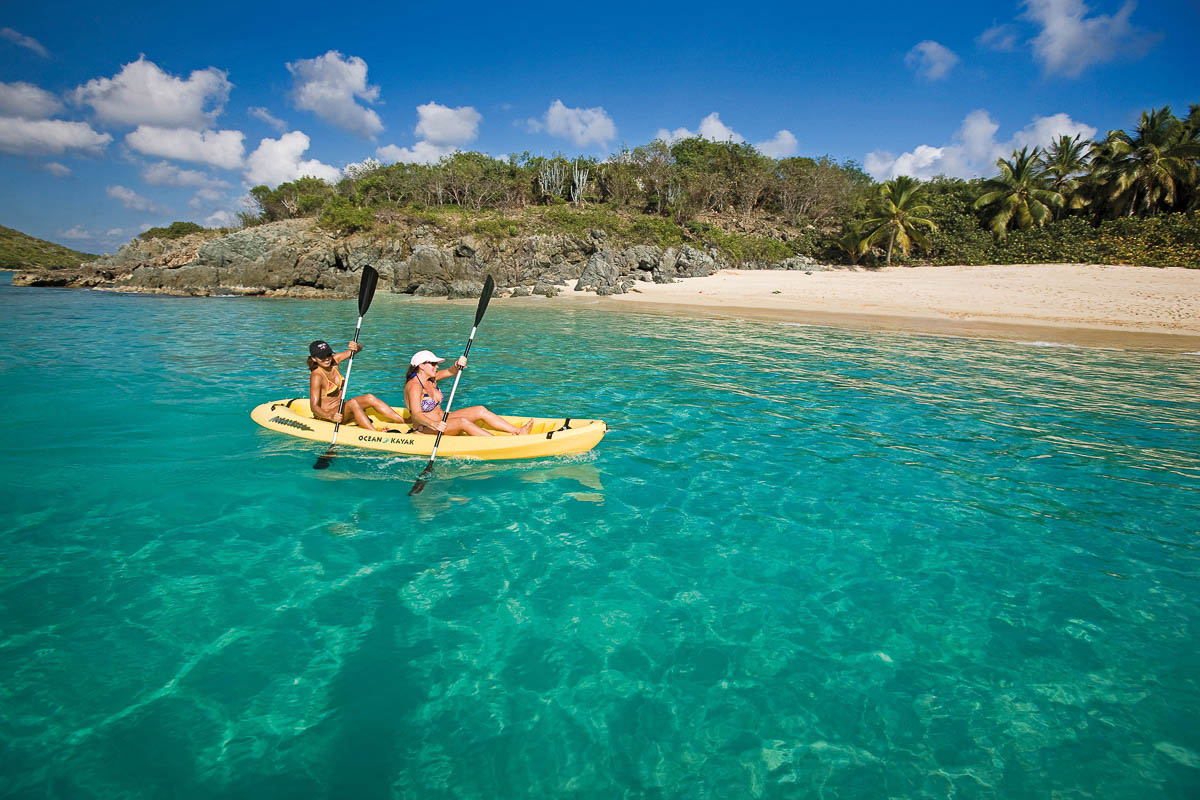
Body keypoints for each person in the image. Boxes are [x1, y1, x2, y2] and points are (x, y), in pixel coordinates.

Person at [404, 349, 534, 437]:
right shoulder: (414, 386)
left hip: (443, 419)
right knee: (462, 421)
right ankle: (498, 443)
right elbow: (416, 414)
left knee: (480, 410)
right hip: (427, 429)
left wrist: (457, 365)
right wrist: (434, 424)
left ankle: (518, 431)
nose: (436, 366)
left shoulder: (431, 378)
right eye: (433, 364)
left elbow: (450, 371)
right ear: (421, 366)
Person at [307, 340, 406, 431]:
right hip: (329, 417)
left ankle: (403, 421)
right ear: (314, 359)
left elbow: (358, 349)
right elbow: (314, 407)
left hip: (341, 410)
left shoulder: (334, 360)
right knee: (352, 403)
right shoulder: (317, 376)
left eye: (328, 354)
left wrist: (356, 346)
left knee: (369, 397)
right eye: (321, 357)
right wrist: (330, 416)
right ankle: (374, 433)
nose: (326, 359)